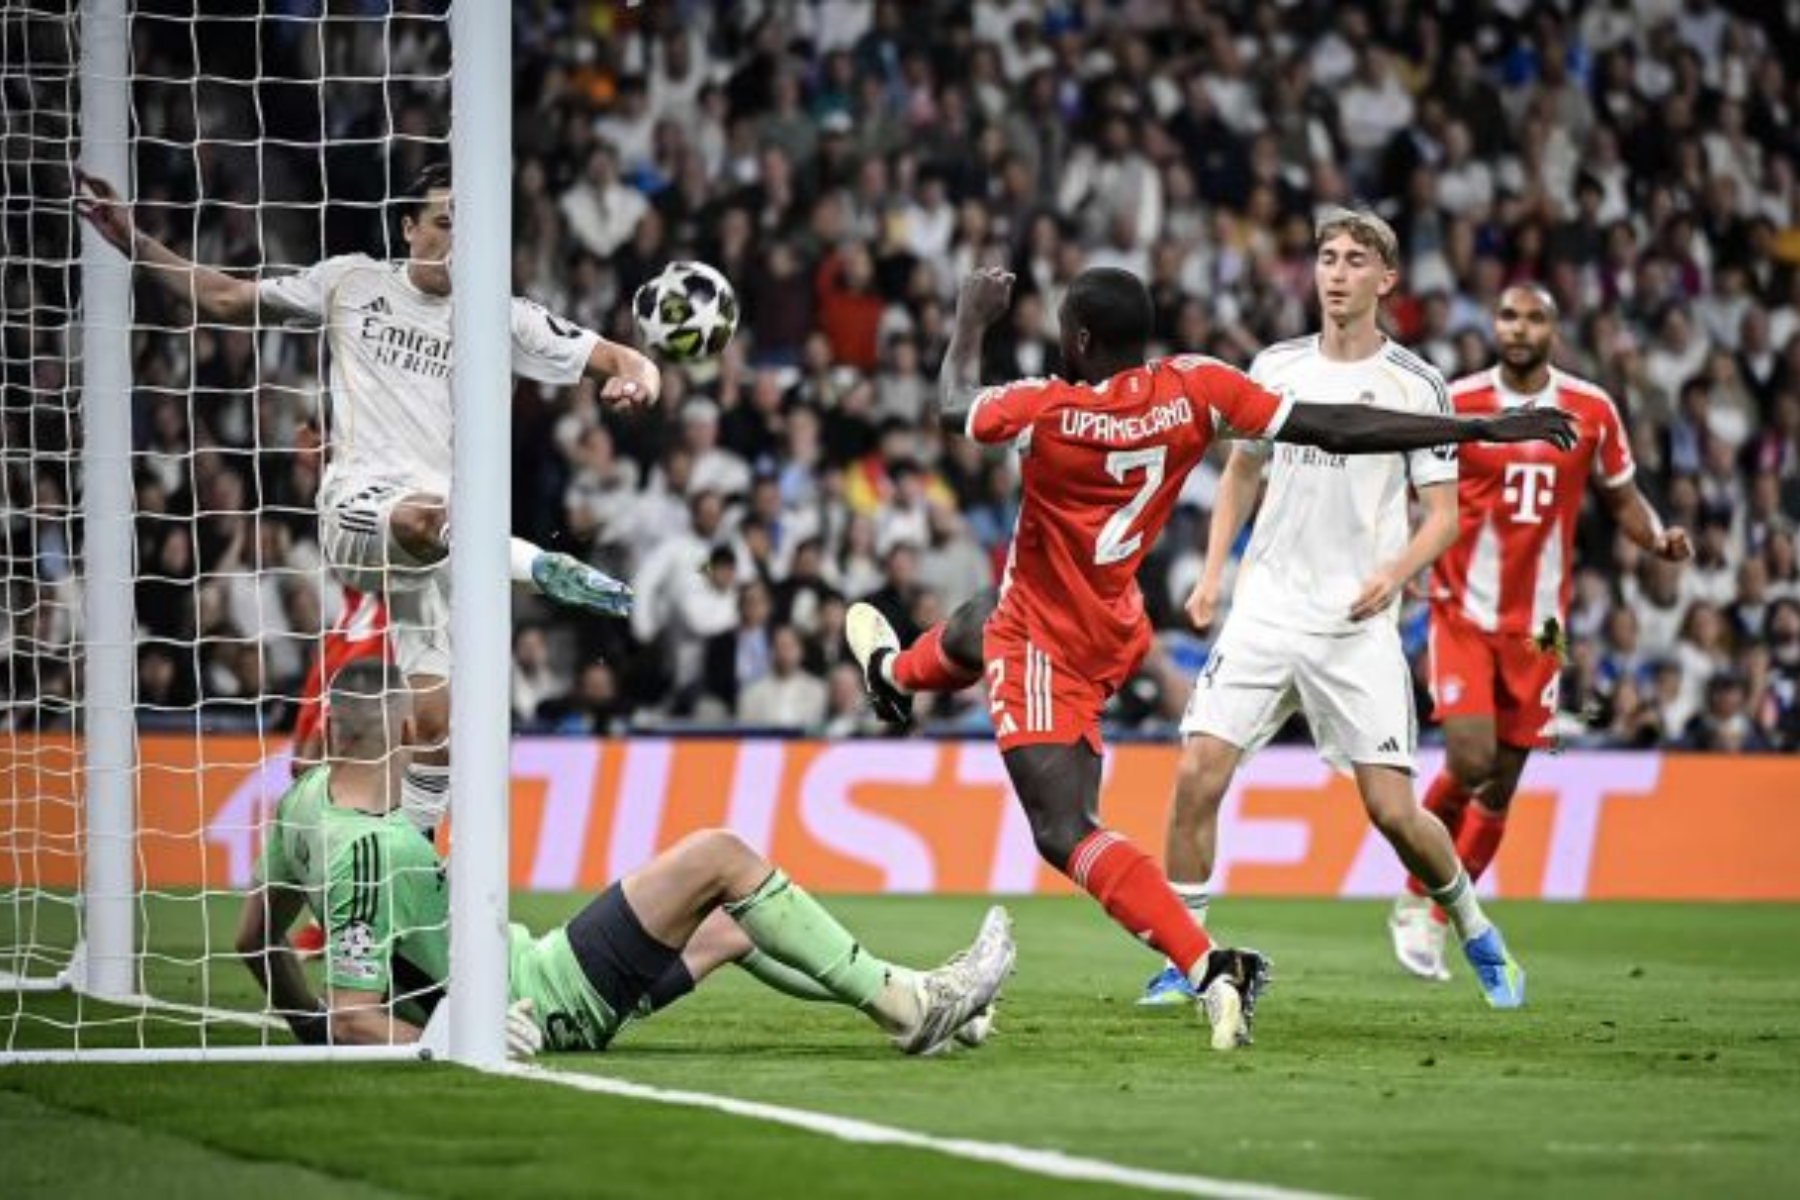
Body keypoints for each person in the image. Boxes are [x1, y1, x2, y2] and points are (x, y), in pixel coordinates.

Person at [845, 258, 1575, 1048]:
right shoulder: (1196, 388)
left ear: (1081, 339)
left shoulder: (1045, 408)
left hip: (1046, 643)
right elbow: (1335, 428)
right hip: (1119, 623)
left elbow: (953, 404)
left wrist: (971, 317)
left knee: (1064, 831)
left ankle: (1207, 965)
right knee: (978, 618)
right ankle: (895, 676)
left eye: (1062, 327)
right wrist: (1472, 429)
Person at [78, 164, 658, 835]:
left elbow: (627, 361)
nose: (457, 239)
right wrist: (135, 242)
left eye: (471, 227)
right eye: (443, 222)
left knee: (435, 728)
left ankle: (405, 873)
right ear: (409, 228)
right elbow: (227, 300)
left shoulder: (503, 316)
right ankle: (534, 565)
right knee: (426, 519)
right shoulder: (352, 281)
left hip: (442, 551)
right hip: (363, 513)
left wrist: (637, 383)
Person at [235, 660, 1014, 1057]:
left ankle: (922, 1001)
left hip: (530, 968)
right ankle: (912, 1008)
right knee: (721, 855)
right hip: (545, 998)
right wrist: (452, 1037)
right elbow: (354, 1013)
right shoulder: (373, 851)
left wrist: (310, 1034)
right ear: (405, 733)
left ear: (329, 730)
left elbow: (255, 943)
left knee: (741, 925)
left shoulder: (304, 802)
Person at [1150, 208, 1529, 1012]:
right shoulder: (1276, 366)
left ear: (1386, 280)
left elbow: (1444, 514)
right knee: (1195, 773)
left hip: (1356, 624)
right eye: (1327, 257)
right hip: (1265, 611)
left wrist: (1395, 572)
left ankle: (1470, 922)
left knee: (1393, 812)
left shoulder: (1416, 384)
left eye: (1357, 260)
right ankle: (1185, 958)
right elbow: (1241, 475)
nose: (1337, 272)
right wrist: (1213, 575)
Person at [1389, 283, 1691, 980]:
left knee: (1498, 789)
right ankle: (1413, 898)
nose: (1518, 328)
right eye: (1507, 315)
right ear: (1493, 325)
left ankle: (1439, 919)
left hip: (1542, 631)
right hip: (1462, 609)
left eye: (1534, 317)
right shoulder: (1457, 402)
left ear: (1553, 329)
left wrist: (1659, 539)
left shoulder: (1590, 409)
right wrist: (1404, 556)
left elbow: (1622, 498)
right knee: (1467, 761)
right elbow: (1413, 493)